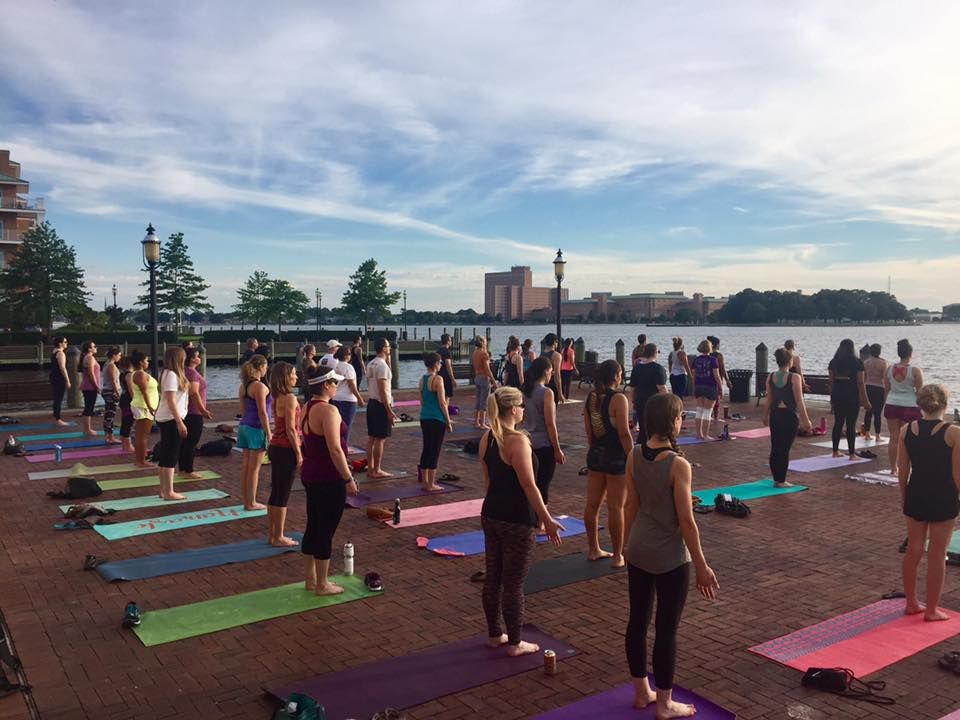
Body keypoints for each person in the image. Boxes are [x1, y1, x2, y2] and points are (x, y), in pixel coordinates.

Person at [623, 392, 719, 716]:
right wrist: (703, 566)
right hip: (669, 557)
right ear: (673, 422)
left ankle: (642, 693)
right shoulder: (679, 464)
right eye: (680, 416)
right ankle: (663, 703)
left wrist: (624, 545)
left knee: (637, 621)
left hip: (638, 548)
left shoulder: (634, 454)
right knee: (666, 629)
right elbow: (687, 523)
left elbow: (631, 506)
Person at [480, 387, 564, 656]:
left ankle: (495, 634)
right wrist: (547, 520)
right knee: (513, 583)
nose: (525, 411)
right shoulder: (517, 441)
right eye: (522, 407)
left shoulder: (488, 438)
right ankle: (515, 642)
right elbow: (530, 486)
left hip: (491, 514)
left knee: (493, 577)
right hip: (516, 520)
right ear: (514, 409)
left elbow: (488, 482)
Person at [899, 384, 960, 622]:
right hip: (943, 495)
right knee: (937, 553)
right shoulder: (954, 432)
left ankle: (912, 603)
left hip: (916, 493)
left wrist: (905, 498)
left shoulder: (907, 430)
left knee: (914, 549)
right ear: (944, 404)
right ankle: (932, 609)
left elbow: (902, 472)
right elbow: (957, 475)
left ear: (920, 405)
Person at [301, 365, 358, 596]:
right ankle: (322, 583)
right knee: (325, 529)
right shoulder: (328, 411)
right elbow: (335, 449)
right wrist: (348, 478)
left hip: (311, 474)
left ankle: (311, 579)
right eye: (335, 383)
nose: (337, 386)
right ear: (326, 385)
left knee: (313, 525)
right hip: (328, 476)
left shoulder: (307, 406)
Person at [583, 359, 634, 567]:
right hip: (615, 456)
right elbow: (623, 433)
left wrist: (594, 449)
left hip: (596, 453)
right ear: (615, 376)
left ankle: (593, 549)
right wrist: (632, 458)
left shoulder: (591, 397)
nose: (621, 376)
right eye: (620, 372)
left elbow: (589, 430)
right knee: (616, 507)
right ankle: (617, 555)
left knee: (592, 504)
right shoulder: (618, 399)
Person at [521, 357, 565, 520]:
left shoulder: (527, 390)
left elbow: (522, 417)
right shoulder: (546, 392)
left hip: (528, 441)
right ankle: (540, 521)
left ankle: (530, 515)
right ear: (546, 372)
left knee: (530, 482)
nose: (552, 373)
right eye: (551, 370)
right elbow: (550, 423)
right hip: (544, 444)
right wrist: (557, 448)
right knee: (543, 483)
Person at [762, 348, 812, 487]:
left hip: (775, 415)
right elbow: (799, 400)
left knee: (776, 446)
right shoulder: (794, 377)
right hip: (789, 417)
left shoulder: (771, 376)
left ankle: (776, 478)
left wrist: (765, 415)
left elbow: (769, 399)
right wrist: (806, 420)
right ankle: (781, 480)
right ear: (790, 361)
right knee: (784, 448)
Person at [267, 361, 301, 547]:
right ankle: (278, 536)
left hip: (276, 447)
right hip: (285, 448)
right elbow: (291, 429)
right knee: (283, 493)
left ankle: (272, 534)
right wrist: (298, 452)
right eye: (293, 374)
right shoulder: (289, 398)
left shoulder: (277, 396)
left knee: (276, 492)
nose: (296, 377)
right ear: (285, 377)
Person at [154, 347, 190, 501]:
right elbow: (171, 401)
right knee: (171, 454)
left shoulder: (168, 374)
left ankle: (164, 490)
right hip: (170, 419)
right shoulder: (172, 375)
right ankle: (169, 491)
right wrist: (179, 422)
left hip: (167, 418)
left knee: (166, 453)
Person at [237, 356, 272, 510]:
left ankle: (247, 500)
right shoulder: (260, 387)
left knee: (246, 465)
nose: (267, 369)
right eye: (266, 366)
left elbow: (243, 409)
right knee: (254, 468)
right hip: (256, 428)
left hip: (244, 426)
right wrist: (269, 432)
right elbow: (263, 412)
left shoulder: (243, 386)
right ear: (261, 367)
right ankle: (251, 502)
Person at [885, 339, 924, 472]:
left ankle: (892, 468)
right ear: (910, 353)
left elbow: (886, 389)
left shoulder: (889, 369)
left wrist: (888, 401)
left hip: (892, 403)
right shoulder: (915, 371)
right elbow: (919, 392)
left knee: (893, 438)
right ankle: (912, 467)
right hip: (910, 405)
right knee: (911, 438)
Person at [828, 339, 870, 460]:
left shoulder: (833, 362)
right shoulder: (857, 362)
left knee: (838, 423)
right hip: (852, 396)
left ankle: (835, 451)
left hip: (837, 396)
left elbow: (831, 382)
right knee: (851, 425)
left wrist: (832, 399)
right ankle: (852, 454)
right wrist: (866, 401)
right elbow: (860, 383)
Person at [419, 352, 454, 492]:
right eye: (439, 363)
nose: (440, 365)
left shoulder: (422, 379)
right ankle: (430, 484)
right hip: (436, 418)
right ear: (435, 364)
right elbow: (442, 403)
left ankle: (425, 482)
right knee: (435, 450)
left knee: (427, 448)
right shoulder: (438, 379)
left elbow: (421, 400)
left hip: (424, 417)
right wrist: (448, 420)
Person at [365, 337, 397, 479]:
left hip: (372, 402)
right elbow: (383, 391)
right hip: (380, 404)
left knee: (372, 437)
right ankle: (376, 469)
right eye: (388, 346)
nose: (390, 348)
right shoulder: (382, 366)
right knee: (380, 438)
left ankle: (371, 468)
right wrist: (389, 411)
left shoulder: (371, 363)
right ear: (384, 348)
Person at [179, 348, 213, 478]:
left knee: (185, 442)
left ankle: (183, 469)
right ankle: (188, 470)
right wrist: (203, 410)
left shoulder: (184, 371)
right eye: (197, 356)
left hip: (187, 411)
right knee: (191, 441)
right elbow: (194, 392)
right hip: (194, 412)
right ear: (192, 359)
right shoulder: (192, 373)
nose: (200, 358)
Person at [629, 343, 668, 445]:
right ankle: (651, 448)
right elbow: (662, 388)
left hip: (640, 402)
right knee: (654, 428)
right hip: (654, 403)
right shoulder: (658, 369)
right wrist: (669, 402)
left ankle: (640, 448)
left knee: (643, 427)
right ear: (655, 353)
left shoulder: (637, 368)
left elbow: (632, 388)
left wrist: (633, 401)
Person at [691, 340, 723, 440]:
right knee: (707, 412)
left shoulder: (696, 360)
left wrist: (694, 385)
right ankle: (705, 435)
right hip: (710, 386)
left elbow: (693, 375)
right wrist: (721, 387)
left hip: (699, 386)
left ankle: (698, 434)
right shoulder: (713, 360)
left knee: (699, 410)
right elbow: (716, 375)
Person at [130, 351, 157, 468]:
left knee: (142, 434)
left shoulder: (139, 373)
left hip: (144, 406)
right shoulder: (140, 374)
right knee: (142, 435)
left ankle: (140, 460)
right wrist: (150, 406)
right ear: (141, 362)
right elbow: (144, 391)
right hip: (143, 406)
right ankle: (141, 461)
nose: (147, 362)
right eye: (146, 360)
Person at [331, 345, 364, 439]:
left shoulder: (335, 366)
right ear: (346, 356)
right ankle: (343, 445)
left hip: (336, 397)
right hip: (348, 399)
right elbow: (351, 385)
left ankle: (337, 443)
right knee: (346, 425)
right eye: (349, 354)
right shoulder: (349, 367)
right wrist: (359, 398)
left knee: (337, 424)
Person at [862, 343, 887, 440]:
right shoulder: (883, 363)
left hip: (868, 386)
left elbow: (864, 377)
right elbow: (884, 377)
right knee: (877, 413)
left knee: (868, 411)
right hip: (879, 388)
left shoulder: (866, 362)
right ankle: (877, 435)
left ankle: (867, 433)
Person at [472, 336, 497, 429]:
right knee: (484, 401)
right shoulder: (484, 354)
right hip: (484, 377)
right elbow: (487, 369)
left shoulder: (475, 353)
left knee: (478, 400)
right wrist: (493, 381)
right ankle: (482, 423)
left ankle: (476, 421)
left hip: (477, 376)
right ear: (483, 342)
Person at [78, 341, 100, 437]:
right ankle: (87, 429)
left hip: (88, 386)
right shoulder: (90, 358)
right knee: (89, 408)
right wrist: (96, 386)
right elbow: (91, 373)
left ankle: (87, 429)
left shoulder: (87, 357)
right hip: (90, 386)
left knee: (89, 407)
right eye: (94, 346)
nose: (96, 348)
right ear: (89, 349)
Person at [100, 347, 121, 444]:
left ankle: (108, 436)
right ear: (114, 355)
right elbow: (113, 381)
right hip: (110, 391)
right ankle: (110, 437)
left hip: (107, 390)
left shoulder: (106, 364)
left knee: (108, 414)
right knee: (110, 415)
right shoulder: (111, 365)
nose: (120, 357)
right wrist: (117, 392)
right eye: (119, 355)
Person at [706, 336, 730, 420]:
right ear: (715, 345)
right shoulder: (719, 355)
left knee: (708, 400)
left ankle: (708, 416)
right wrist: (727, 381)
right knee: (716, 400)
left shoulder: (705, 355)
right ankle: (715, 417)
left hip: (706, 379)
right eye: (719, 344)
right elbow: (722, 369)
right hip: (716, 379)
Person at [48, 336, 71, 426]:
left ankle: (56, 416)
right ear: (60, 343)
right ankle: (58, 419)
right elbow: (62, 368)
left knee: (56, 398)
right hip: (59, 378)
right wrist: (67, 380)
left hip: (54, 377)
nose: (66, 343)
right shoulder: (61, 353)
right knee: (59, 399)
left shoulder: (54, 352)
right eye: (65, 342)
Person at [117, 355, 135, 453]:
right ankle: (128, 445)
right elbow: (131, 389)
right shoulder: (129, 375)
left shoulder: (122, 374)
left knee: (125, 421)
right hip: (128, 400)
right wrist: (135, 400)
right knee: (128, 422)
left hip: (124, 398)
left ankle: (124, 444)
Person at [541, 334, 565, 404]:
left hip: (542, 384)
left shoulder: (542, 354)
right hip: (552, 385)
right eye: (557, 342)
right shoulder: (556, 355)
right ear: (554, 342)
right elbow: (557, 375)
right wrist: (560, 392)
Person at [438, 333, 457, 399]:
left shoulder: (438, 351)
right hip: (446, 376)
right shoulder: (447, 352)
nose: (451, 342)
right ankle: (445, 408)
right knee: (447, 396)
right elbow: (448, 366)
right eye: (450, 340)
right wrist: (453, 379)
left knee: (440, 395)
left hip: (439, 375)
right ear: (448, 341)